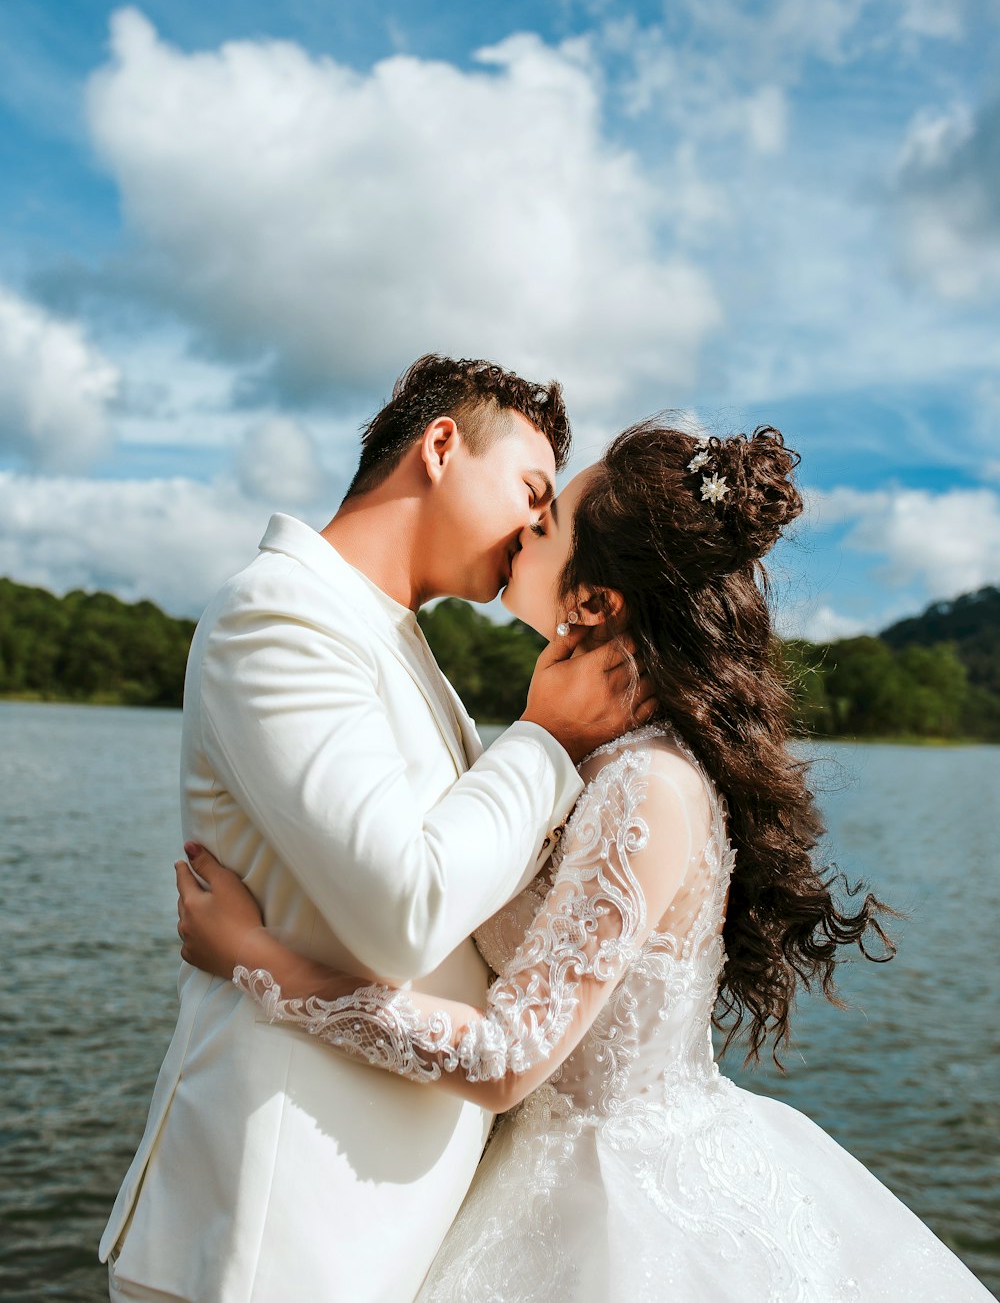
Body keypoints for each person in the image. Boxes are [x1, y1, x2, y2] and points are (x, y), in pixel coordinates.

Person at [177, 419, 993, 1302]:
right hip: (529, 1176)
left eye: (547, 521)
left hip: (619, 1208)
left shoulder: (643, 782)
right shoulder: (596, 758)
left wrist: (254, 960)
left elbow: (505, 1059)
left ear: (595, 601)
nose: (523, 529)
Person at [101, 356, 657, 1303]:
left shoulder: (394, 640)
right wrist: (544, 739)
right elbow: (403, 912)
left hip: (369, 1235)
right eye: (530, 490)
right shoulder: (279, 615)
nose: (536, 527)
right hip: (273, 1233)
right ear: (441, 445)